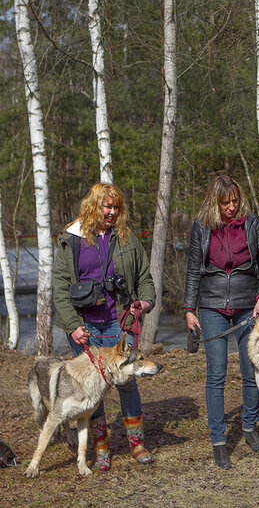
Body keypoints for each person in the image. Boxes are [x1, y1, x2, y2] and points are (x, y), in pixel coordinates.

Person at [53, 182, 156, 471]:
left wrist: (143, 303)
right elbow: (60, 289)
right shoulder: (71, 240)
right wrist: (73, 325)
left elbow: (145, 279)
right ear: (93, 206)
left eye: (115, 207)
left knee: (127, 383)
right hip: (84, 326)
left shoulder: (126, 238)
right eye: (105, 206)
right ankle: (100, 447)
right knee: (92, 387)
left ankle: (136, 443)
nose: (111, 212)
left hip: (117, 322)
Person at [183, 174, 259, 469]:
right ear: (215, 202)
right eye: (226, 203)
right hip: (211, 305)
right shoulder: (201, 226)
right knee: (216, 374)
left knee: (251, 370)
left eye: (235, 200)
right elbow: (194, 269)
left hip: (249, 306)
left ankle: (249, 426)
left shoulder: (252, 224)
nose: (232, 207)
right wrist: (189, 308)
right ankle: (218, 440)